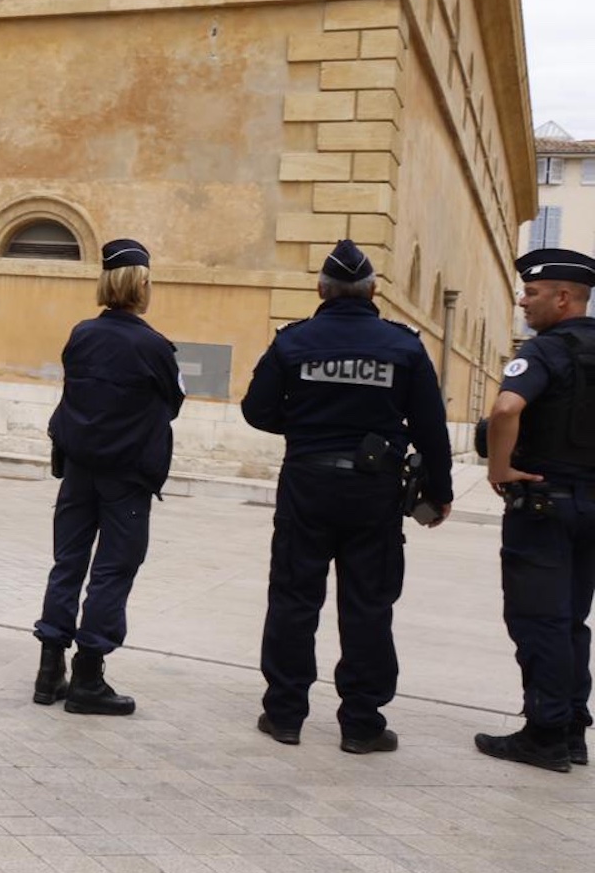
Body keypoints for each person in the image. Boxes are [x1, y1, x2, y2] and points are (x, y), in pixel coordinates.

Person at [241, 238, 452, 754]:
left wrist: (307, 426)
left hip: (307, 485)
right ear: (373, 291)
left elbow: (256, 410)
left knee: (294, 599)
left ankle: (285, 714)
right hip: (373, 493)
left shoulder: (293, 342)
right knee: (368, 606)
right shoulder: (403, 347)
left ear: (321, 289)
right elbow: (431, 427)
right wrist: (440, 492)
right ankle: (361, 724)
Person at [32, 238, 185, 715]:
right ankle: (88, 678)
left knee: (68, 562)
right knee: (113, 570)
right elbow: (174, 403)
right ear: (141, 284)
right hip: (126, 477)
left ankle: (48, 669)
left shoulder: (81, 334)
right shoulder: (155, 346)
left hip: (78, 469)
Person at [476, 247, 595, 772]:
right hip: (591, 507)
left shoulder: (547, 350)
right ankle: (572, 728)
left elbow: (506, 408)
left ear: (564, 298)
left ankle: (543, 734)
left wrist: (499, 468)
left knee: (538, 619)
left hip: (545, 504)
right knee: (572, 618)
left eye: (532, 293)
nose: (523, 302)